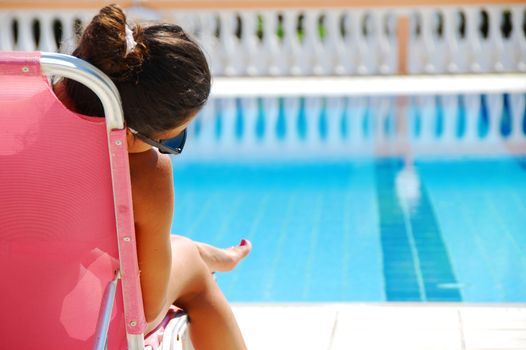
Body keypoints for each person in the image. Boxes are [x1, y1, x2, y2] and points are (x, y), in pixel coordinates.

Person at [54, 4, 251, 350]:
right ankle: (197, 254)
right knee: (196, 276)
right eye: (170, 141)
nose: (166, 151)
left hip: (12, 313)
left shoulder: (19, 128)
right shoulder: (145, 173)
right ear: (128, 132)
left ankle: (198, 253)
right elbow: (144, 309)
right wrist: (191, 256)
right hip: (83, 329)